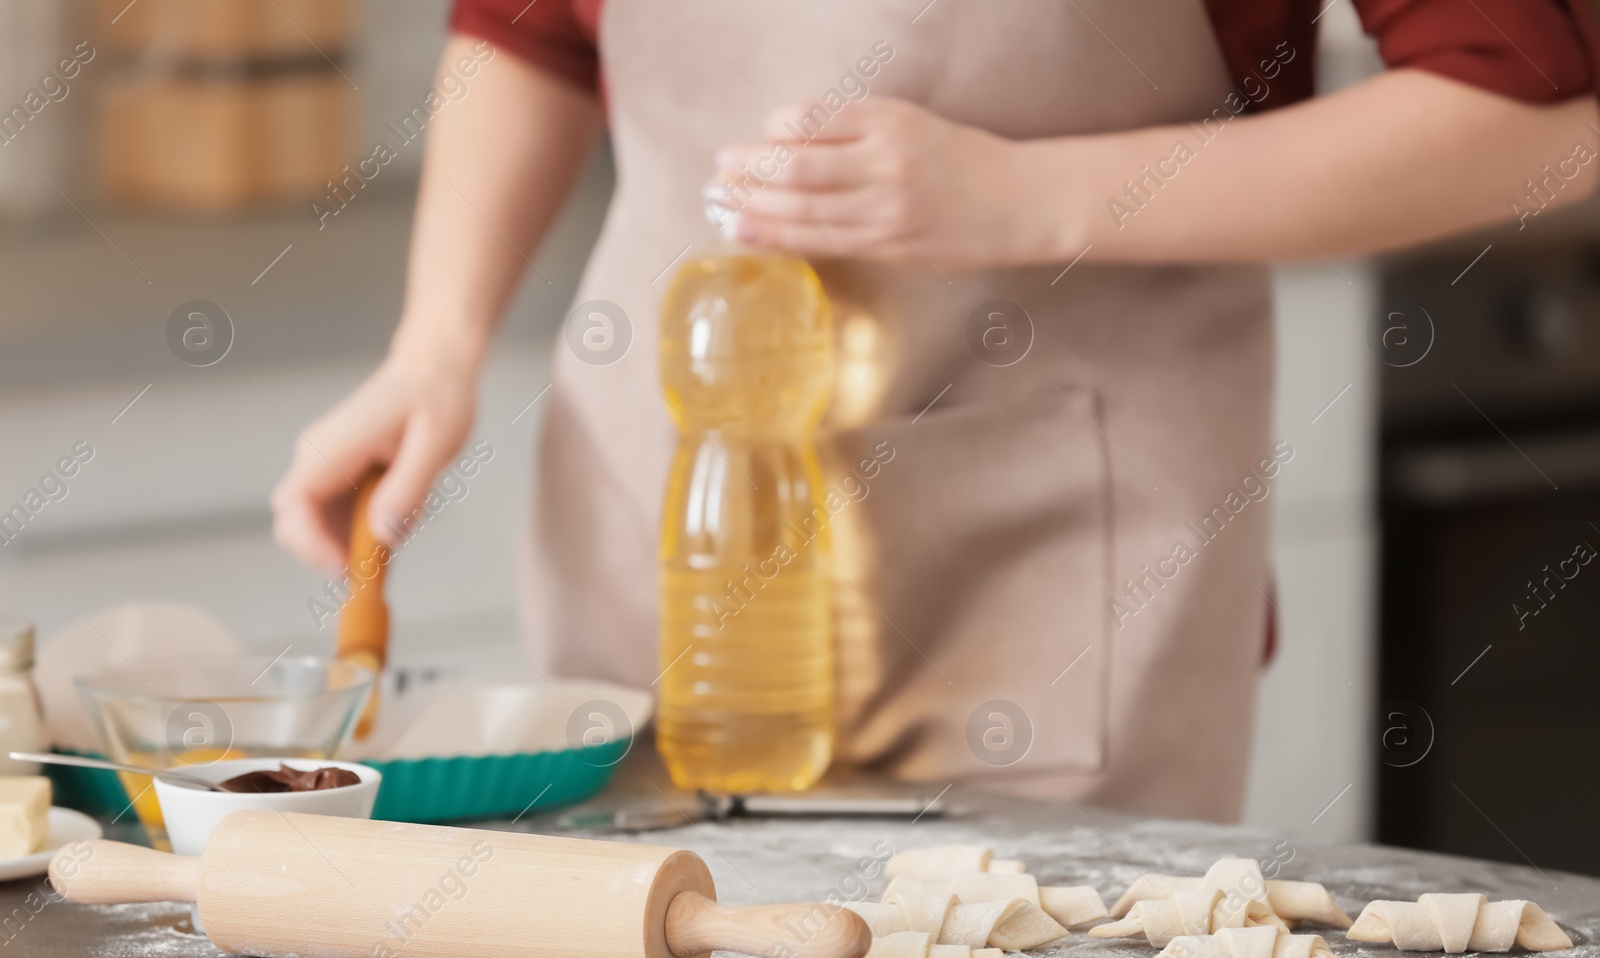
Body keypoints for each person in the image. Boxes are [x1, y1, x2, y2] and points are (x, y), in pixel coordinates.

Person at [272, 0, 1600, 820]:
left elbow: (1546, 122)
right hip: (665, 527)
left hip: (1058, 570)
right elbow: (529, 26)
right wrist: (435, 341)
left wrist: (1030, 201)